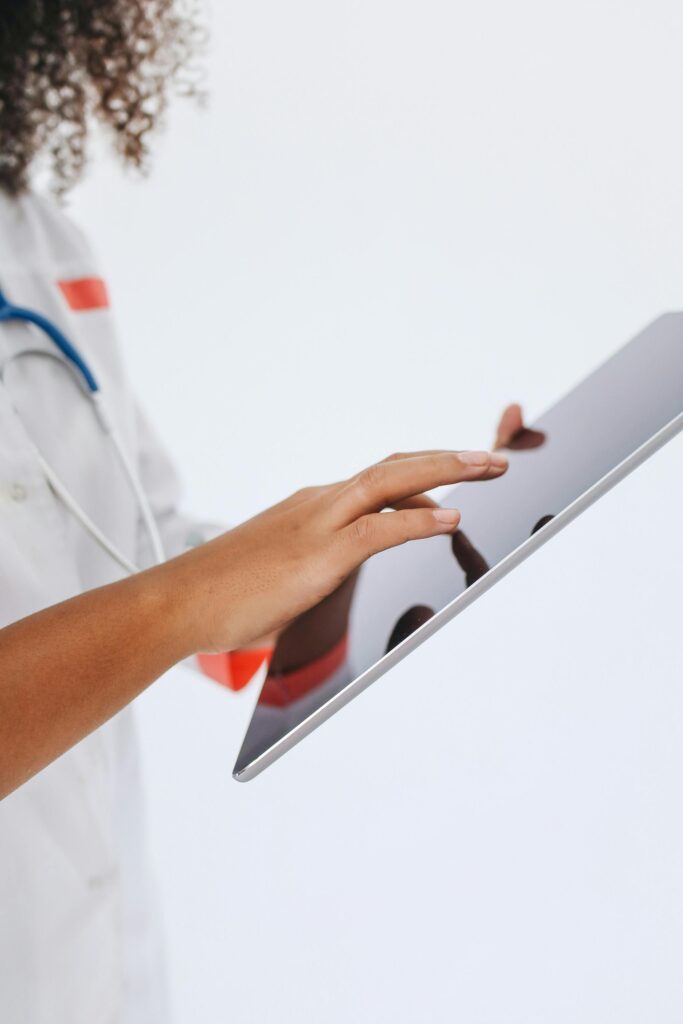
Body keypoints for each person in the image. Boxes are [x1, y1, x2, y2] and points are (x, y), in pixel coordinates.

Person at [0, 4, 527, 1021]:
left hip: (99, 980)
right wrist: (190, 599)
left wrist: (360, 558)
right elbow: (172, 599)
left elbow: (143, 557)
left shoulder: (36, 238)